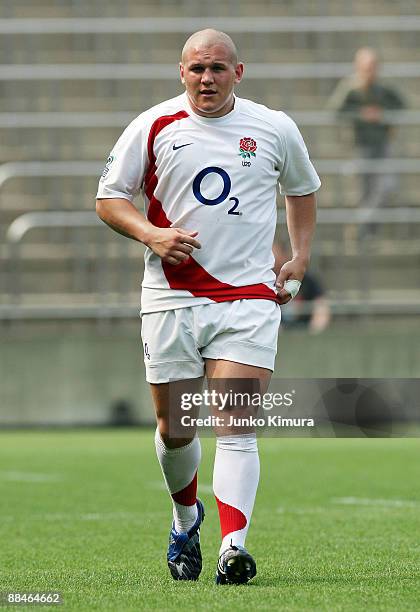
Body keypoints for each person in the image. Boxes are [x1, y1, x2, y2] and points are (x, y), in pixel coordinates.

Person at [96, 29, 320, 585]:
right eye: (197, 68)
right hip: (171, 296)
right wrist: (151, 234)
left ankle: (234, 548)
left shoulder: (274, 127)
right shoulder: (152, 125)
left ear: (237, 73)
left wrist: (299, 256)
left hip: (247, 297)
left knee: (236, 425)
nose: (207, 79)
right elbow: (108, 199)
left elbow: (302, 189)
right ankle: (184, 519)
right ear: (181, 71)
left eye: (218, 68)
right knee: (176, 429)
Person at [327, 47, 405, 237]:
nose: (370, 71)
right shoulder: (351, 88)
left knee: (385, 186)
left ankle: (361, 227)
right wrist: (361, 115)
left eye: (373, 66)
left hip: (382, 143)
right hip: (360, 145)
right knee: (365, 190)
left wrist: (384, 116)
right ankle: (365, 232)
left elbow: (402, 105)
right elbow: (335, 111)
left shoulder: (384, 88)